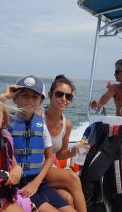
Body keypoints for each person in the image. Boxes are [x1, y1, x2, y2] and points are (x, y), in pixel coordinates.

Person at [2, 75, 76, 212]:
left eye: (35, 97)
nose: (29, 100)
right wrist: (4, 96)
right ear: (15, 98)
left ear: (41, 101)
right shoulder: (4, 120)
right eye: (24, 95)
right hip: (17, 186)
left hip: (39, 182)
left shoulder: (40, 124)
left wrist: (36, 183)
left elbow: (49, 157)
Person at [44, 75, 87, 212]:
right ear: (50, 95)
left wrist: (73, 151)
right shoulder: (38, 117)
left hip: (51, 170)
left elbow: (61, 154)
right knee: (73, 178)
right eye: (59, 94)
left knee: (68, 198)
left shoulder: (66, 124)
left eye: (68, 96)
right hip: (36, 168)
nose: (64, 99)